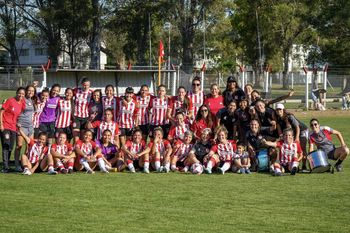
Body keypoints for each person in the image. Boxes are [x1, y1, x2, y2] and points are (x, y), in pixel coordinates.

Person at [274, 103, 308, 171]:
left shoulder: (289, 116)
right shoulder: (277, 118)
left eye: (280, 109)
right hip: (292, 132)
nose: (278, 111)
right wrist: (281, 137)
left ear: (283, 110)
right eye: (277, 109)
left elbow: (297, 127)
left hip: (302, 130)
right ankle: (294, 165)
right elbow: (279, 128)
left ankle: (304, 166)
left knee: (302, 148)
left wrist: (297, 137)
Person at [0, 87, 26, 173]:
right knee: (6, 145)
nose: (20, 95)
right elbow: (1, 112)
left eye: (22, 94)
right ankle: (5, 167)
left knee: (11, 147)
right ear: (16, 92)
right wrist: (1, 124)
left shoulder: (22, 103)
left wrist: (18, 123)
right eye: (19, 93)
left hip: (14, 128)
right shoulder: (10, 100)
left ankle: (7, 165)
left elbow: (18, 115)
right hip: (6, 126)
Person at [14, 84, 37, 172]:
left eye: (33, 91)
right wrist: (16, 123)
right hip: (21, 125)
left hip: (30, 127)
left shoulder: (32, 100)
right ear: (26, 91)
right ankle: (16, 165)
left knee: (29, 146)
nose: (30, 92)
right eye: (29, 90)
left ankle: (25, 164)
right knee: (19, 146)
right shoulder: (21, 99)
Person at [38, 84, 61, 149]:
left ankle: (48, 153)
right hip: (43, 121)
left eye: (57, 91)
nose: (55, 92)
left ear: (59, 92)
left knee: (50, 139)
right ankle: (41, 153)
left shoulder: (58, 98)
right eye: (54, 90)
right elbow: (36, 94)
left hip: (52, 121)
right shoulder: (46, 96)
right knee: (43, 138)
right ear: (51, 90)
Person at [73, 77, 93, 142]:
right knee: (76, 136)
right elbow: (69, 94)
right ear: (81, 84)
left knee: (83, 135)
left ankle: (82, 149)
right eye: (84, 85)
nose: (85, 86)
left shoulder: (91, 93)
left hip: (86, 117)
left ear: (89, 85)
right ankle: (76, 149)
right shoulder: (76, 91)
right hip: (76, 116)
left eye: (87, 85)